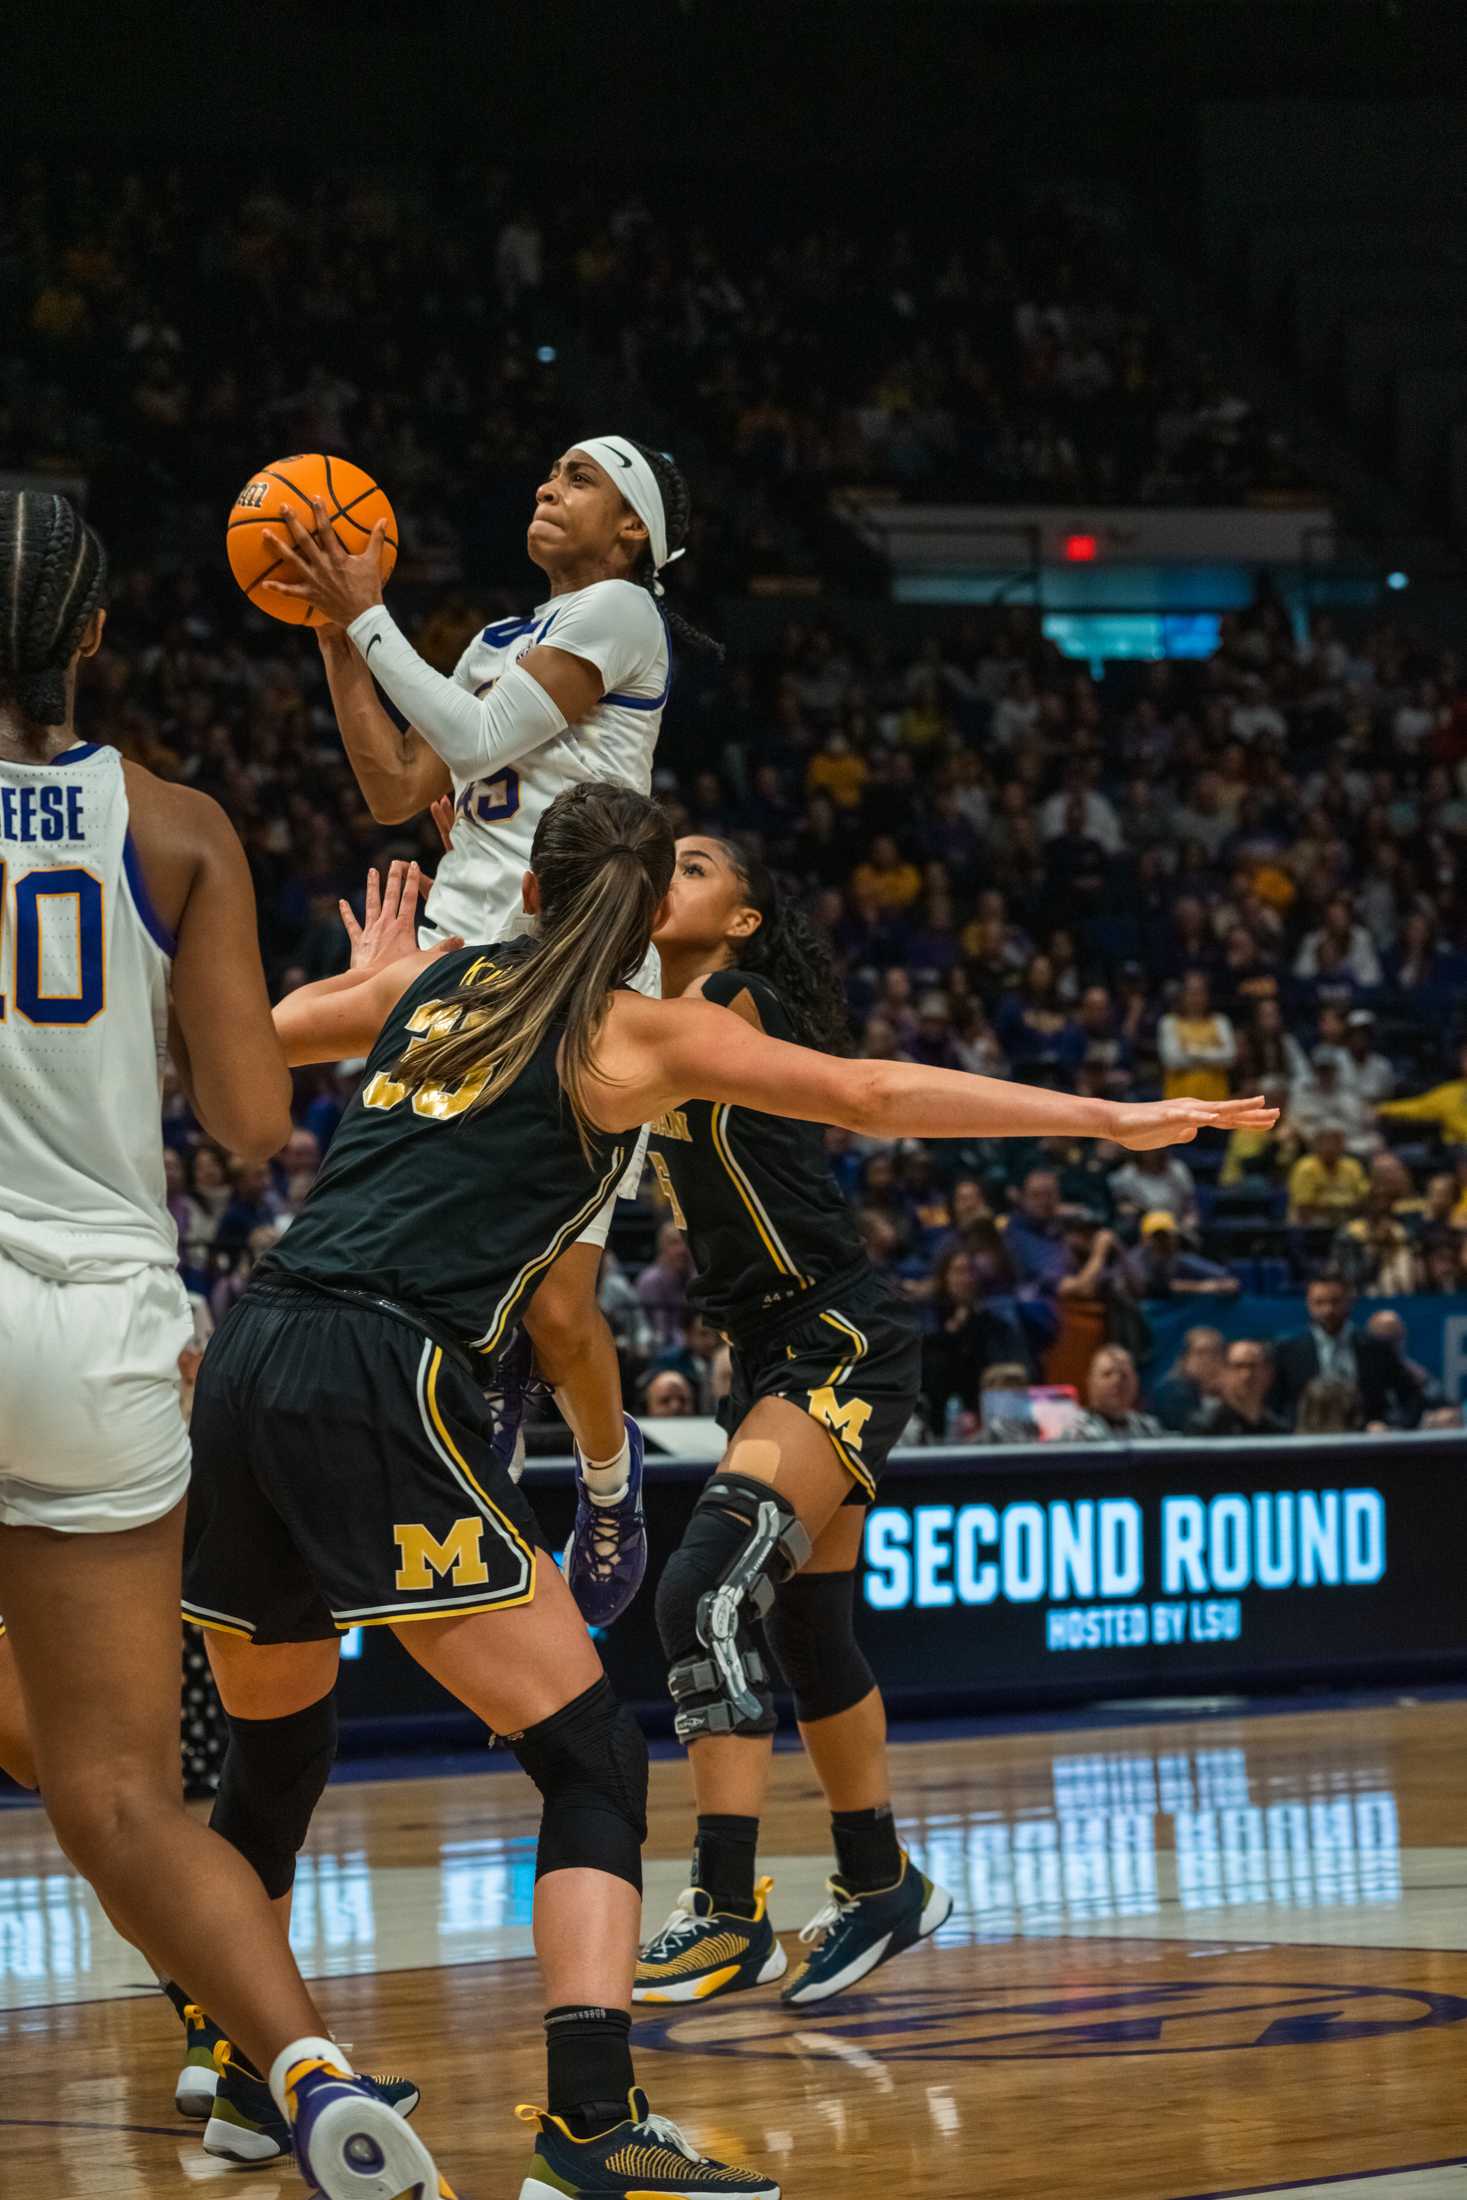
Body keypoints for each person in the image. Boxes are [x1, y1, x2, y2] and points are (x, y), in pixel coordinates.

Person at [181, 782, 1272, 2196]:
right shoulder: (636, 1028)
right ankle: (588, 2125)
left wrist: (357, 987)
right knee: (588, 1759)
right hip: (375, 1369)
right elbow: (872, 1093)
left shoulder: (443, 981)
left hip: (249, 1351)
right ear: (642, 918)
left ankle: (248, 2076)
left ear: (524, 895)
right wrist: (1104, 1116)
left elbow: (239, 1049)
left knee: (273, 1759)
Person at [0, 490, 447, 2200]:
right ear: (96, 639)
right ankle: (312, 2071)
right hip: (106, 1315)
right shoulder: (176, 826)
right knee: (118, 1789)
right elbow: (256, 1123)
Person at [269, 437, 720, 1629]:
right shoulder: (489, 644)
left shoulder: (625, 610)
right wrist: (336, 641)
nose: (545, 485)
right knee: (265, 1046)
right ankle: (474, 1419)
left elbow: (468, 747)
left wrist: (369, 618)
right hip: (459, 955)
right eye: (550, 471)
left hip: (575, 971)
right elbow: (396, 785)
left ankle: (613, 1486)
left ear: (634, 532)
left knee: (565, 1311)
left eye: (580, 478)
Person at [1272, 1273, 1423, 1430]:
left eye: (1335, 1301)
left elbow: (1412, 1398)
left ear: (1350, 1302)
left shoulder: (1377, 1347)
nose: (1328, 1310)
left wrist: (1391, 1427)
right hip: (1305, 1442)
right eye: (1319, 1302)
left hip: (1366, 1443)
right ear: (1308, 1304)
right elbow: (1273, 1404)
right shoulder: (1287, 1350)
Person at [1158, 970, 1236, 1102]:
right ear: (1182, 995)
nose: (1196, 997)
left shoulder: (1220, 1021)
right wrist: (1212, 1056)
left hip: (1216, 1100)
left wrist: (1191, 1051)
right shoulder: (1169, 1022)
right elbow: (1172, 1061)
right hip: (1178, 1101)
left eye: (1200, 992)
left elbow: (1229, 1057)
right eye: (1192, 992)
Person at [1123, 1212, 1240, 1300]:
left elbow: (1225, 1277)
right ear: (1144, 1239)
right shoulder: (1134, 1259)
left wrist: (1223, 1284)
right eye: (1157, 1237)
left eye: (1166, 1236)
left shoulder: (1178, 1258)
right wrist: (1203, 1287)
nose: (1162, 1241)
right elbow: (1151, 1289)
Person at [1188, 1340, 1288, 1438]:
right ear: (1224, 1372)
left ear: (1268, 1373)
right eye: (1238, 1366)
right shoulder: (1205, 1426)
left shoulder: (1278, 1431)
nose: (1246, 1375)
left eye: (1253, 1366)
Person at [1377, 1040, 1467, 1145]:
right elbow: (1417, 1107)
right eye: (1465, 1057)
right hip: (1458, 1151)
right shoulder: (1448, 1093)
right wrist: (1382, 1109)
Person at [1072, 1347, 1163, 1440]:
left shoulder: (1149, 1430)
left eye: (1124, 1375)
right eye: (1107, 1374)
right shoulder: (1075, 1431)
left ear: (1136, 1381)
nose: (1117, 1381)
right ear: (1090, 1382)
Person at [1149, 1326, 1226, 1432]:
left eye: (1215, 1353)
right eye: (1201, 1353)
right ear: (1185, 1358)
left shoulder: (1229, 1390)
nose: (1208, 1360)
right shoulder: (1170, 1391)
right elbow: (1192, 1432)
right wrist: (1210, 1397)